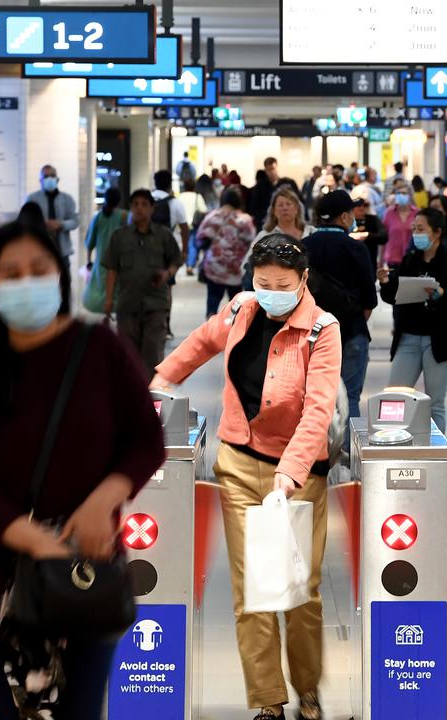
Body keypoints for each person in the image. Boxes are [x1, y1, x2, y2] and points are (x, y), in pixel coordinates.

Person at [0, 221, 165, 720]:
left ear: (59, 275)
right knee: (13, 711)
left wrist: (103, 501)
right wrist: (33, 539)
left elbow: (146, 439)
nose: (27, 281)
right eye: (11, 273)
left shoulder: (100, 348)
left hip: (87, 574)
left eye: (38, 270)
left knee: (81, 710)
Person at [152, 236, 340, 720]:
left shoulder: (323, 330)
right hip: (238, 463)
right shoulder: (241, 309)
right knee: (252, 589)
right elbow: (201, 342)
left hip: (299, 475)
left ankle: (307, 688)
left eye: (282, 284)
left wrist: (290, 472)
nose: (272, 293)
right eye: (263, 283)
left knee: (301, 590)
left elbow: (318, 410)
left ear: (303, 280)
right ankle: (267, 701)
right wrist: (162, 378)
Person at [377, 208, 447, 435]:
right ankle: (391, 442)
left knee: (435, 401)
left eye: (421, 229)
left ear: (437, 232)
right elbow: (394, 296)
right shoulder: (411, 260)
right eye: (414, 229)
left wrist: (442, 294)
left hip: (440, 340)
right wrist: (386, 282)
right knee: (395, 396)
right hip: (408, 337)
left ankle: (436, 449)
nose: (416, 234)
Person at [305, 190, 378, 422]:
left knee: (311, 398)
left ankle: (315, 445)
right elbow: (369, 300)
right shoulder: (356, 248)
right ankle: (347, 445)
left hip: (311, 334)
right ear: (345, 217)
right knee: (350, 398)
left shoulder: (303, 246)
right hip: (352, 332)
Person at [102, 190, 182, 377]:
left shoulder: (163, 235)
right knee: (128, 356)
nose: (139, 208)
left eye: (144, 204)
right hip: (127, 304)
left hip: (156, 305)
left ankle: (150, 394)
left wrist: (167, 274)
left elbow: (176, 260)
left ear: (152, 208)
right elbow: (112, 269)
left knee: (153, 354)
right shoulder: (120, 237)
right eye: (135, 204)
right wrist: (109, 299)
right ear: (130, 208)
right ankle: (131, 393)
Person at [196, 186, 256, 319]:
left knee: (213, 300)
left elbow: (200, 238)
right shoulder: (244, 219)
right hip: (236, 268)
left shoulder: (213, 216)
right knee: (236, 303)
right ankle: (234, 326)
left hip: (214, 267)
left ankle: (211, 325)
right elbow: (251, 239)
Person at [244, 187, 314, 290]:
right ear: (273, 211)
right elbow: (248, 264)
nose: (285, 208)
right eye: (280, 205)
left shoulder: (311, 232)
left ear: (297, 208)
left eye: (288, 204)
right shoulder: (265, 236)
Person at [82, 186, 128, 314]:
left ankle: (105, 311)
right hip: (120, 262)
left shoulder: (98, 218)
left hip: (101, 263)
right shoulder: (124, 216)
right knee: (116, 288)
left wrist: (88, 262)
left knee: (101, 288)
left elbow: (89, 243)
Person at [25, 165, 79, 259]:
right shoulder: (32, 199)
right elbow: (26, 222)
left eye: (52, 175)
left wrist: (61, 224)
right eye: (46, 176)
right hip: (39, 250)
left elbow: (75, 221)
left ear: (57, 179)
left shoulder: (67, 199)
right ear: (40, 180)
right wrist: (42, 224)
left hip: (62, 251)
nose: (49, 179)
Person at [152, 170, 192, 272]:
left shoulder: (146, 200)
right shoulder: (176, 203)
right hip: (168, 248)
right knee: (167, 277)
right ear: (170, 184)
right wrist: (185, 251)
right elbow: (184, 229)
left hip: (146, 247)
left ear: (155, 182)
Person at [382, 179, 420, 267]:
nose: (401, 195)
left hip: (412, 258)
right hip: (393, 259)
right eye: (398, 193)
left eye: (404, 193)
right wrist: (381, 260)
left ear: (410, 196)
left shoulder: (417, 213)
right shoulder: (389, 213)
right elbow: (384, 238)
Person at [352, 197, 387, 266]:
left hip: (370, 261)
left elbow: (384, 237)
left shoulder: (373, 219)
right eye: (358, 205)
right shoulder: (349, 220)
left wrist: (366, 235)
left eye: (365, 205)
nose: (362, 207)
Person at [250, 163, 277, 232]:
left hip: (261, 218)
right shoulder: (270, 186)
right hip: (267, 216)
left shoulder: (258, 186)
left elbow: (254, 203)